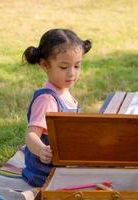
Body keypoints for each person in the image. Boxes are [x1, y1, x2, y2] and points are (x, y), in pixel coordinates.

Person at [21, 28, 92, 187]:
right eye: (64, 67)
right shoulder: (47, 99)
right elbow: (31, 135)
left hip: (64, 163)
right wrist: (41, 150)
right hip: (46, 171)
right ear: (45, 65)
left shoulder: (65, 92)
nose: (72, 73)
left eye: (77, 66)